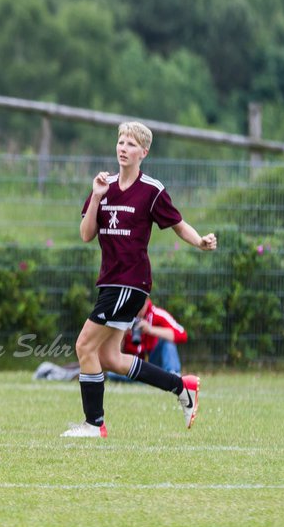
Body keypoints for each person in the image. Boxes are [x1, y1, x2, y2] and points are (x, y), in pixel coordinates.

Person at [62, 121, 215, 438]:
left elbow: (178, 224)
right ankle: (181, 386)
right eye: (120, 141)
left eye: (131, 144)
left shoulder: (151, 190)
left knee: (84, 346)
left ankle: (94, 425)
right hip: (110, 281)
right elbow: (86, 234)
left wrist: (199, 241)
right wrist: (96, 196)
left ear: (143, 152)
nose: (123, 148)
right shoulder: (104, 186)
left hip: (130, 282)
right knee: (109, 358)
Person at [34, 298, 187, 382]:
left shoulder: (158, 314)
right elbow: (112, 354)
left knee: (168, 343)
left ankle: (174, 375)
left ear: (147, 301)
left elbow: (182, 334)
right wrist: (121, 335)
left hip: (154, 360)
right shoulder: (124, 316)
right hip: (130, 365)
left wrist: (151, 329)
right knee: (109, 369)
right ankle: (57, 372)